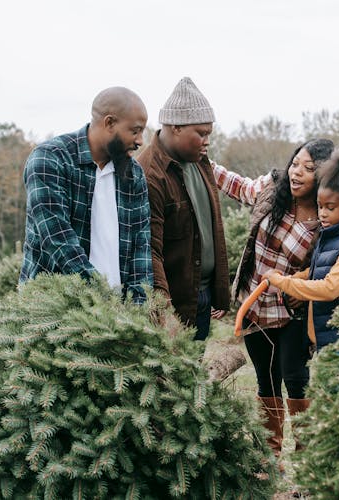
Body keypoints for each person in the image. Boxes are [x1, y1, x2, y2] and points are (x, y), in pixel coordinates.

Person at [212, 138, 334, 461]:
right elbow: (239, 187)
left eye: (308, 169)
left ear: (321, 175)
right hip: (255, 305)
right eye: (296, 163)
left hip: (292, 311)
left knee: (295, 379)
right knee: (266, 380)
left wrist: (303, 286)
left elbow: (329, 264)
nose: (297, 173)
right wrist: (204, 164)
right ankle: (270, 458)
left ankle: (306, 462)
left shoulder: (327, 214)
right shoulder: (274, 187)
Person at [19, 87, 153, 302]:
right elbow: (57, 238)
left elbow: (141, 246)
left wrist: (139, 309)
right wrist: (101, 297)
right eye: (135, 131)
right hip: (54, 309)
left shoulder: (133, 174)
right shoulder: (50, 159)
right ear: (109, 123)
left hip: (118, 316)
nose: (140, 141)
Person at [138, 77, 230, 341]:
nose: (206, 141)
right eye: (201, 133)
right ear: (175, 127)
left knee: (194, 371)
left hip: (202, 295)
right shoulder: (150, 174)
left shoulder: (200, 163)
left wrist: (218, 292)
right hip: (174, 303)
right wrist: (163, 311)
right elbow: (150, 249)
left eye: (209, 134)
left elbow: (212, 227)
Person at [263, 149, 339, 351]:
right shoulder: (332, 233)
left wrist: (284, 282)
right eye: (320, 206)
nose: (322, 214)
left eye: (330, 207)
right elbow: (324, 269)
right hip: (326, 343)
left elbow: (330, 288)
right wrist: (299, 277)